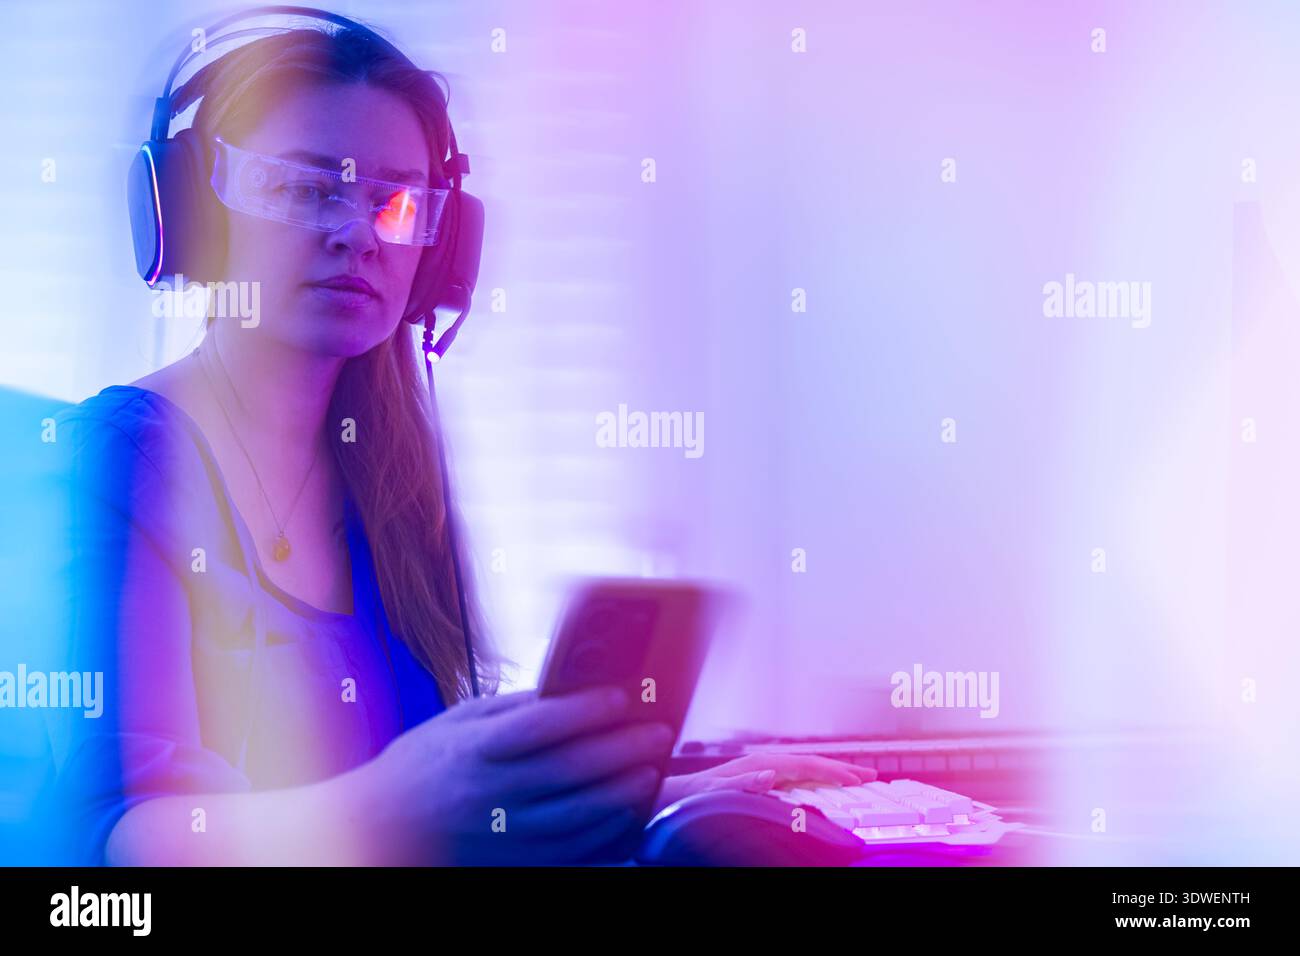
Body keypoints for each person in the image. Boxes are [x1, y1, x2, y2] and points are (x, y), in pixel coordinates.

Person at [46, 17, 873, 867]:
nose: (358, 232)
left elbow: (446, 823)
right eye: (303, 189)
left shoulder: (388, 487)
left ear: (439, 252)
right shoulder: (104, 465)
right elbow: (121, 844)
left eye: (395, 202)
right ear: (191, 211)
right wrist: (395, 808)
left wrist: (681, 795)